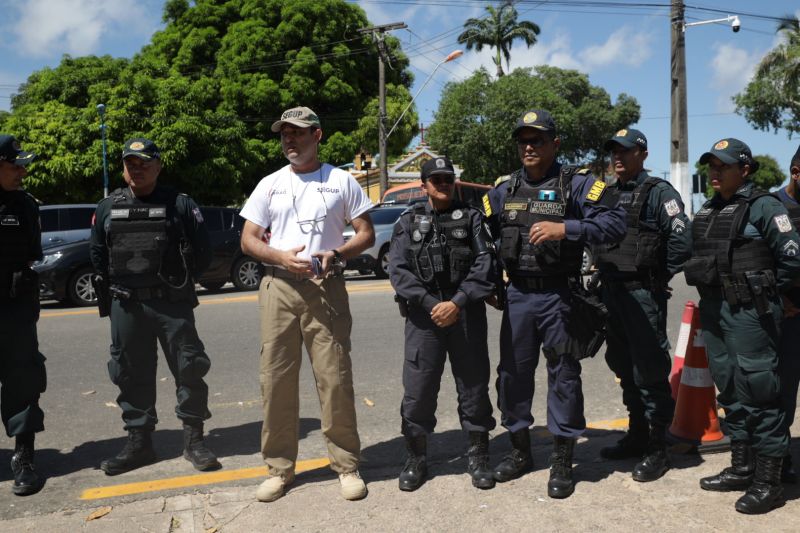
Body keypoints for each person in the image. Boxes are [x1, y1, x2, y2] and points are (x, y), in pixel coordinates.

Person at [483, 110, 626, 498]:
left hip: (558, 296)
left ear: (555, 145)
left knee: (563, 374)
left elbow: (616, 223)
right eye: (523, 140)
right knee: (512, 374)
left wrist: (568, 228)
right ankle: (519, 451)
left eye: (538, 140)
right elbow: (485, 238)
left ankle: (562, 458)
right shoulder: (504, 188)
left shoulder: (577, 185)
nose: (529, 147)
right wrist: (493, 282)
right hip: (517, 297)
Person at [239, 106, 375, 502]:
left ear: (317, 135)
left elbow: (365, 233)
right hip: (279, 287)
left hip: (325, 286)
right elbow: (248, 239)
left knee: (334, 377)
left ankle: (346, 465)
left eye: (297, 133)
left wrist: (339, 252)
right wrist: (280, 257)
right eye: (284, 134)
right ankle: (279, 469)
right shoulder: (269, 184)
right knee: (276, 380)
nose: (289, 140)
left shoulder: (341, 180)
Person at [90, 137, 220, 476]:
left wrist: (177, 282)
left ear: (158, 166)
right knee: (130, 374)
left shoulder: (179, 204)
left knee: (189, 368)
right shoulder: (107, 207)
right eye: (130, 164)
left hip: (170, 302)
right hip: (127, 304)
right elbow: (98, 256)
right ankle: (139, 443)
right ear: (123, 169)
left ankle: (194, 441)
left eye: (144, 163)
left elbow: (203, 251)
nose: (137, 169)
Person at [684, 138, 800, 514]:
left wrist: (775, 294)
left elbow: (793, 257)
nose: (714, 172)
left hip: (751, 313)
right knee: (730, 388)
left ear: (745, 170)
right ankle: (742, 465)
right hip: (715, 310)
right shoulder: (707, 210)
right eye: (711, 166)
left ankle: (770, 482)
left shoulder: (765, 206)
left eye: (724, 165)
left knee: (759, 390)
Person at [388, 156, 497, 492]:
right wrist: (432, 304)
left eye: (448, 179)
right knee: (418, 390)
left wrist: (457, 302)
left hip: (465, 313)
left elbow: (486, 263)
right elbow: (398, 269)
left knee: (474, 387)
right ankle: (416, 458)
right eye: (436, 180)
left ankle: (478, 457)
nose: (443, 184)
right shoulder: (408, 221)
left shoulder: (473, 217)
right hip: (425, 316)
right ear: (424, 185)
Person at [594, 129, 691, 481]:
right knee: (622, 364)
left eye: (625, 151)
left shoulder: (658, 193)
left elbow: (681, 240)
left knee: (649, 369)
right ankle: (636, 435)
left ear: (643, 154)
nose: (617, 157)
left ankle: (657, 446)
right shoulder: (605, 193)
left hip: (641, 293)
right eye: (613, 152)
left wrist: (657, 277)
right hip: (611, 292)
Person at [0, 135, 46, 496]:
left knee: (23, 378)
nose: (22, 171)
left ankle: (24, 458)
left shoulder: (25, 206)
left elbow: (31, 253)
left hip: (15, 307)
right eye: (14, 165)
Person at [775, 144, 800, 484]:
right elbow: (754, 262)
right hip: (788, 315)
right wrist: (777, 297)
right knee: (781, 395)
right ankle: (778, 459)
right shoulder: (772, 207)